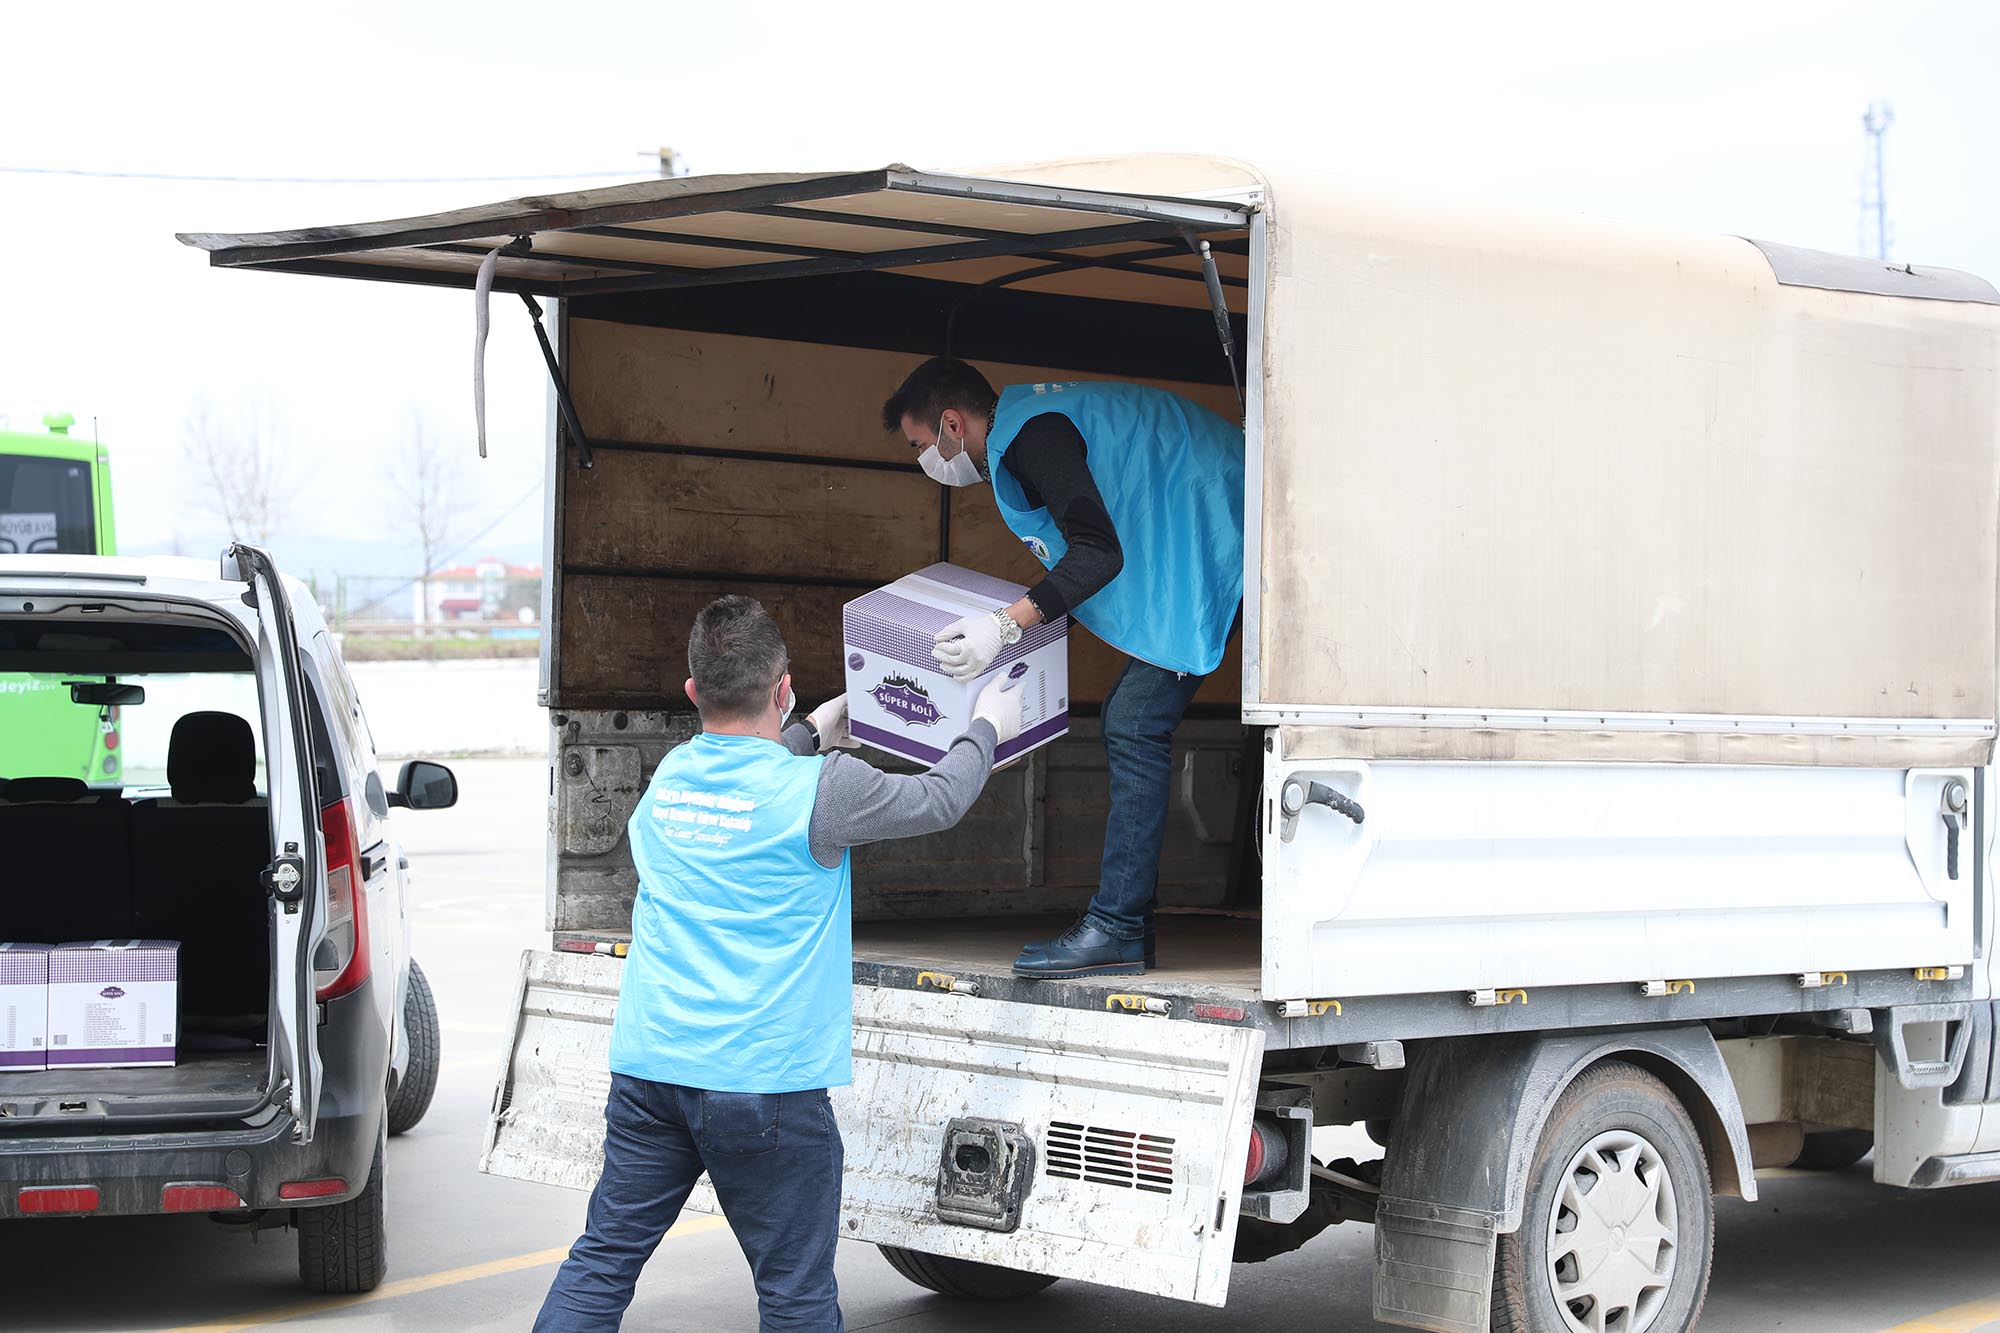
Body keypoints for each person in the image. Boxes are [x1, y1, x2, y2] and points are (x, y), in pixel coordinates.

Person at [534, 594, 1022, 1332]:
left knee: (603, 1260)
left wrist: (811, 730)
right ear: (782, 683)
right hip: (761, 1087)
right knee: (794, 1294)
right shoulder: (828, 791)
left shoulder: (668, 782)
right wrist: (988, 723)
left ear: (694, 691)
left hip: (651, 1072)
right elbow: (942, 797)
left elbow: (744, 785)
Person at [881, 358, 1245, 980]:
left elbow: (1100, 555)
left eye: (922, 446)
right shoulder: (1028, 425)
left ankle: (1119, 928)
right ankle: (1130, 924)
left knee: (1131, 722)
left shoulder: (1034, 437)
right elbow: (1084, 566)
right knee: (1131, 718)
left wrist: (1006, 625)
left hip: (1230, 524)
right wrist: (1015, 636)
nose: (927, 462)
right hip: (1211, 521)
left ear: (950, 424)